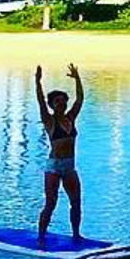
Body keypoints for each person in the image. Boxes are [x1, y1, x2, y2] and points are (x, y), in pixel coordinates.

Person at [35, 64, 85, 247]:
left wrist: (77, 78)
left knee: (76, 202)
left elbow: (80, 99)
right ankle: (41, 237)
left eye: (63, 101)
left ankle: (76, 235)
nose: (62, 103)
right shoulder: (49, 121)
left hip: (70, 167)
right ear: (52, 105)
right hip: (54, 167)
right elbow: (41, 102)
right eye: (57, 102)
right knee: (51, 203)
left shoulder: (71, 118)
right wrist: (37, 82)